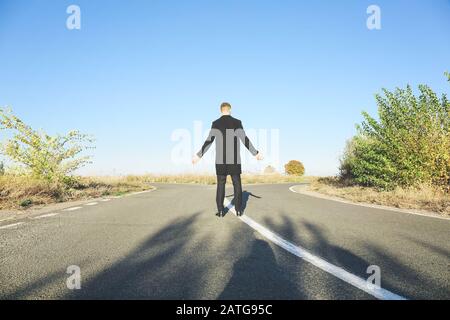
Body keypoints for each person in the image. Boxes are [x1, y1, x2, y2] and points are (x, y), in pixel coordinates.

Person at [192, 102, 263, 217]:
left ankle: (220, 211)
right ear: (230, 110)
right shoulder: (237, 122)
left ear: (221, 110)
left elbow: (209, 140)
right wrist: (255, 153)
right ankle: (239, 210)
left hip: (220, 159)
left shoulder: (216, 123)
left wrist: (198, 155)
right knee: (237, 183)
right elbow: (244, 139)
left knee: (221, 184)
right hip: (234, 158)